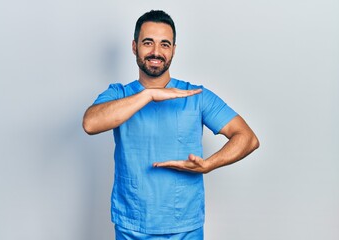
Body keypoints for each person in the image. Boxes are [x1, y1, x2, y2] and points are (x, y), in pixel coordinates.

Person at [83, 10, 259, 240]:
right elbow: (91, 123)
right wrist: (148, 95)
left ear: (173, 50)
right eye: (148, 43)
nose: (156, 52)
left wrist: (208, 164)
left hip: (185, 229)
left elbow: (247, 138)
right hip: (132, 228)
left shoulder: (196, 96)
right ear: (134, 47)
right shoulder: (119, 94)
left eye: (164, 44)